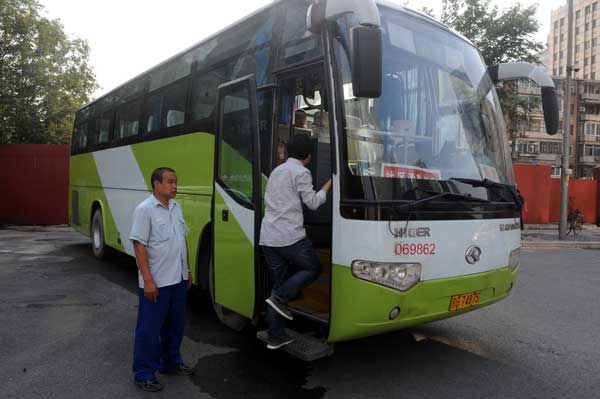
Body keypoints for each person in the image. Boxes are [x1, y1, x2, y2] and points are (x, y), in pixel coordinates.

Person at [259, 132, 332, 350]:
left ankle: (275, 335)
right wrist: (329, 184)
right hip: (289, 237)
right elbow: (312, 203)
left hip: (269, 237)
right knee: (313, 268)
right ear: (308, 156)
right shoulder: (301, 172)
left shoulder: (276, 170)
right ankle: (280, 298)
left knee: (279, 282)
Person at [129, 167, 194, 392]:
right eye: (169, 182)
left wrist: (188, 269)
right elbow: (139, 246)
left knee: (175, 325)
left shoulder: (176, 207)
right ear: (156, 184)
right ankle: (144, 373)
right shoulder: (145, 210)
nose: (174, 186)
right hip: (156, 282)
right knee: (149, 329)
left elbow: (181, 239)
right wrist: (148, 280)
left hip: (177, 279)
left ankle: (171, 362)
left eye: (175, 181)